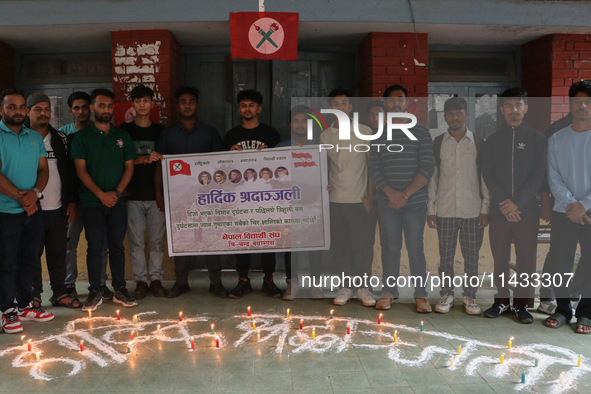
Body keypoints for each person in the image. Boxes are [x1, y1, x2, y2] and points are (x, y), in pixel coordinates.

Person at [481, 87, 546, 324]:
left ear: (526, 108)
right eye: (509, 105)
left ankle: (521, 305)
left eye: (518, 105)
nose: (514, 110)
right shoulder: (493, 140)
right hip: (499, 211)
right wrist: (505, 203)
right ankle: (500, 301)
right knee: (499, 257)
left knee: (526, 258)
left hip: (526, 211)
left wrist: (517, 203)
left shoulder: (537, 139)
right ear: (502, 110)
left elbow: (538, 175)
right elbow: (487, 173)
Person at [155, 85, 227, 298]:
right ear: (178, 106)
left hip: (207, 197)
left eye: (191, 101)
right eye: (183, 101)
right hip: (179, 199)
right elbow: (159, 165)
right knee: (182, 238)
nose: (187, 105)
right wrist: (159, 194)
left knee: (210, 239)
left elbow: (220, 166)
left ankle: (216, 282)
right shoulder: (167, 135)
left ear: (197, 105)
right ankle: (181, 282)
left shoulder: (210, 133)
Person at [71, 88, 138, 311]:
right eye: (102, 105)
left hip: (117, 202)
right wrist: (101, 195)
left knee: (117, 247)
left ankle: (120, 289)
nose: (106, 110)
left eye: (110, 106)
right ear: (92, 108)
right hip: (92, 203)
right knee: (95, 248)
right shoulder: (81, 138)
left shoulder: (122, 136)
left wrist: (116, 194)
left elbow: (129, 168)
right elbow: (81, 171)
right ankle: (96, 291)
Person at [369, 84, 434, 312]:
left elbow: (427, 168)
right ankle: (389, 292)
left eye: (400, 100)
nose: (396, 104)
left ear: (407, 104)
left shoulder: (421, 132)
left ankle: (420, 295)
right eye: (391, 100)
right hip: (387, 203)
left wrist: (404, 195)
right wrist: (391, 194)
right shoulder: (379, 134)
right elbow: (374, 168)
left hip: (414, 203)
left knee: (416, 248)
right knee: (390, 247)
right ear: (385, 105)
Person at [427, 97, 489, 315]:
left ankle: (470, 297)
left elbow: (485, 177)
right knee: (446, 258)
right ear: (445, 117)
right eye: (450, 114)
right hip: (445, 209)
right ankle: (447, 294)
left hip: (473, 210)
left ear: (466, 115)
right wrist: (430, 209)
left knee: (472, 256)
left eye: (459, 113)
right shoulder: (438, 143)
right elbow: (433, 177)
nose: (454, 117)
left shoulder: (479, 142)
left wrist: (485, 208)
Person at [0, 89, 54, 334]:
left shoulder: (34, 137)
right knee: (6, 262)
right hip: (5, 211)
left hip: (33, 210)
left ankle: (24, 305)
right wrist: (23, 198)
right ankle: (7, 311)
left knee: (29, 260)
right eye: (12, 107)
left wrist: (36, 194)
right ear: (1, 110)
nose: (18, 111)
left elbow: (43, 170)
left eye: (22, 107)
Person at [223, 89, 282, 298]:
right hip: (240, 196)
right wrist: (228, 156)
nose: (247, 109)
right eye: (243, 105)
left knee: (267, 237)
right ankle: (243, 280)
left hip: (265, 196)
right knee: (242, 237)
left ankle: (269, 280)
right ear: (239, 109)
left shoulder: (271, 135)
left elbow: (282, 168)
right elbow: (221, 170)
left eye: (251, 105)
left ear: (259, 109)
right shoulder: (231, 136)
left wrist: (270, 156)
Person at [544, 80, 591, 334]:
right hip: (564, 210)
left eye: (587, 101)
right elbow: (553, 176)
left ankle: (586, 312)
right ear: (570, 104)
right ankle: (562, 309)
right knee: (560, 260)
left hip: (588, 210)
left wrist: (584, 204)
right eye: (577, 101)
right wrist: (572, 204)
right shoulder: (556, 138)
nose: (582, 106)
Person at [321, 89, 375, 307]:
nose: (340, 107)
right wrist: (323, 182)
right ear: (331, 108)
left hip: (360, 200)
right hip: (335, 200)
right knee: (340, 246)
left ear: (350, 107)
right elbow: (323, 166)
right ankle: (345, 287)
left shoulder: (364, 131)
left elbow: (373, 167)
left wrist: (370, 196)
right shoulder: (325, 136)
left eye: (344, 103)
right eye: (336, 104)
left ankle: (363, 287)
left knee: (362, 246)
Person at [27, 93, 81, 309]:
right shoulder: (22, 138)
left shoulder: (60, 138)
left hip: (58, 208)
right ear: (28, 111)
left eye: (47, 109)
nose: (43, 113)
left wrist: (71, 201)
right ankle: (34, 295)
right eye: (38, 109)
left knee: (58, 254)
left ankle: (59, 293)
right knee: (31, 255)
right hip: (31, 208)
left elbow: (69, 173)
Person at [60, 91, 110, 300]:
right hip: (73, 200)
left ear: (90, 108)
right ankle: (67, 284)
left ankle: (100, 284)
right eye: (76, 108)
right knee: (69, 244)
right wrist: (69, 200)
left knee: (99, 244)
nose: (81, 111)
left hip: (96, 199)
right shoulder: (63, 135)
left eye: (84, 107)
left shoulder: (100, 131)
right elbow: (66, 171)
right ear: (70, 110)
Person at [119, 85, 166, 300]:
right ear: (133, 104)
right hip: (132, 194)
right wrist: (144, 159)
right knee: (136, 241)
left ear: (152, 103)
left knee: (156, 241)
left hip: (157, 195)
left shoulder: (161, 131)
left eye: (146, 100)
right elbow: (121, 161)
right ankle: (140, 281)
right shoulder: (124, 131)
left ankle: (156, 279)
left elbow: (168, 161)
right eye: (138, 101)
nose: (142, 105)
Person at [277, 106, 324, 300]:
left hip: (314, 202)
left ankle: (316, 286)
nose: (300, 124)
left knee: (315, 242)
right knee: (291, 242)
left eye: (304, 121)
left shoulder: (319, 146)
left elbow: (327, 171)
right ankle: (292, 284)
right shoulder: (281, 147)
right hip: (289, 202)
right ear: (290, 124)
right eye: (296, 121)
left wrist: (327, 185)